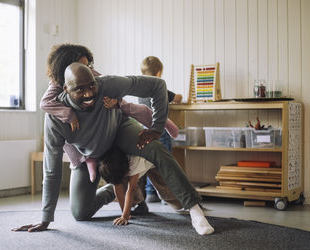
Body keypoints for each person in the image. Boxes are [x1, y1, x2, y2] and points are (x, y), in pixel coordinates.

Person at [13, 62, 214, 235]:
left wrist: (156, 127)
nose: (89, 93)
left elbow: (157, 85)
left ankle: (194, 209)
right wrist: (45, 219)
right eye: (80, 90)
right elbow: (51, 169)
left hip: (119, 132)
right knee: (80, 213)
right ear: (66, 89)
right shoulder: (55, 119)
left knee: (156, 148)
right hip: (88, 154)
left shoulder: (108, 84)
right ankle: (116, 189)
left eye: (91, 85)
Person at [38, 44, 178, 214]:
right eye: (82, 66)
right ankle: (113, 190)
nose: (88, 70)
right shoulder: (55, 93)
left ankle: (140, 185)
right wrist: (69, 115)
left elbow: (122, 91)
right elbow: (45, 104)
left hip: (110, 138)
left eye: (88, 66)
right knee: (80, 213)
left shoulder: (95, 79)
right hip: (84, 152)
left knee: (147, 140)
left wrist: (119, 104)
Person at [98, 146, 186, 226]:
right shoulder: (111, 161)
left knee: (166, 192)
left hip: (153, 163)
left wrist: (125, 216)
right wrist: (124, 214)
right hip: (132, 165)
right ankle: (140, 205)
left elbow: (131, 189)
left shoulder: (134, 158)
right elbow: (117, 188)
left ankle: (188, 205)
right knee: (123, 185)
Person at [139, 56, 183, 203]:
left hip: (144, 129)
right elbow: (177, 98)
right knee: (165, 160)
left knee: (150, 160)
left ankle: (150, 192)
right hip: (160, 129)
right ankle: (166, 194)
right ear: (158, 73)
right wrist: (179, 95)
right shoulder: (159, 85)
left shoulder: (140, 88)